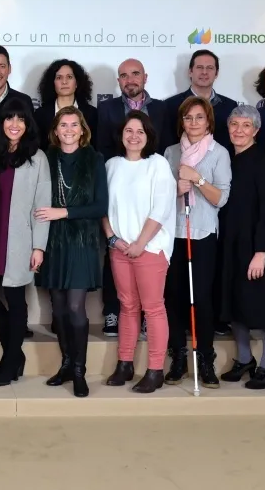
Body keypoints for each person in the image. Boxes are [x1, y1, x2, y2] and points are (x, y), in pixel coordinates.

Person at [102, 111, 176, 393]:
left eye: (140, 132)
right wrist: (113, 239)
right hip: (119, 248)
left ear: (148, 136)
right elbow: (102, 207)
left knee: (153, 308)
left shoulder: (157, 165)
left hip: (150, 248)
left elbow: (162, 207)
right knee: (127, 306)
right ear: (121, 134)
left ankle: (155, 369)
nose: (134, 136)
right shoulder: (112, 165)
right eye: (129, 131)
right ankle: (125, 363)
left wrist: (141, 243)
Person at [34, 106, 106, 397]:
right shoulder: (44, 158)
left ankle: (79, 370)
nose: (68, 130)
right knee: (59, 309)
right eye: (63, 124)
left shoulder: (95, 158)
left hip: (81, 242)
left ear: (82, 129)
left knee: (76, 308)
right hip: (52, 241)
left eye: (74, 124)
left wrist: (62, 212)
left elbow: (100, 206)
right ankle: (65, 363)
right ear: (55, 129)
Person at [0, 99, 51, 387]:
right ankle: (15, 354)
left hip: (20, 238)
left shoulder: (37, 158)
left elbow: (42, 205)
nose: (14, 124)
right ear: (2, 123)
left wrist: (38, 246)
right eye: (9, 119)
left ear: (27, 124)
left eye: (20, 119)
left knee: (16, 300)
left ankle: (10, 362)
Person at [96, 58, 169, 337]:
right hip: (118, 184)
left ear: (145, 77)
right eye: (124, 76)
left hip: (149, 186)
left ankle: (148, 317)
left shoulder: (162, 108)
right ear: (118, 82)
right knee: (114, 257)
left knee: (149, 260)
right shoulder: (107, 109)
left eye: (135, 74)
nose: (130, 80)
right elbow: (101, 147)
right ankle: (112, 312)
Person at [162, 96, 231, 388]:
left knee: (200, 299)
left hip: (202, 234)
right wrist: (176, 189)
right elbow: (160, 198)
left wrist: (198, 179)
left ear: (208, 121)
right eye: (188, 118)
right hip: (172, 235)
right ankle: (178, 355)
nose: (193, 123)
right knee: (174, 297)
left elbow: (221, 198)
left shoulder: (219, 153)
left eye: (199, 118)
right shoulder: (170, 152)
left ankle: (204, 357)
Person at [217, 105, 265, 390]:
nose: (239, 130)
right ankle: (244, 358)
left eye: (246, 125)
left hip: (259, 249)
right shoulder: (228, 161)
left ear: (256, 130)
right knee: (236, 303)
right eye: (234, 124)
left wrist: (261, 253)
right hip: (233, 244)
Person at [163, 50, 238, 155]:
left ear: (216, 73)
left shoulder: (230, 106)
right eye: (199, 67)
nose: (204, 72)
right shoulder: (170, 105)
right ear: (190, 72)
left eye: (210, 68)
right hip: (181, 166)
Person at [34, 59, 98, 152]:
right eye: (59, 77)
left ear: (77, 83)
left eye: (69, 77)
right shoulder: (40, 115)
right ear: (53, 83)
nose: (64, 82)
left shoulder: (92, 113)